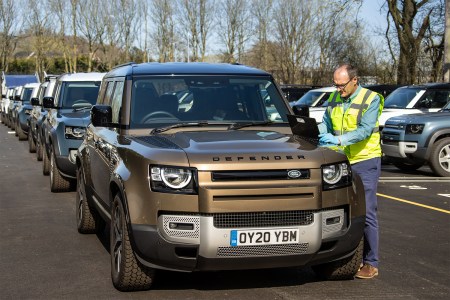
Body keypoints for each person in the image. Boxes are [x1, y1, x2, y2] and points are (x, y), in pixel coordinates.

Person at [318, 64, 384, 279]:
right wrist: (319, 134)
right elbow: (326, 122)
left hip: (365, 160)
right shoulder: (335, 98)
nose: (338, 89)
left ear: (355, 80)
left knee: (367, 211)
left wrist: (338, 139)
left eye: (341, 85)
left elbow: (365, 130)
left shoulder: (371, 99)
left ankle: (371, 263)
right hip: (340, 159)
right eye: (335, 84)